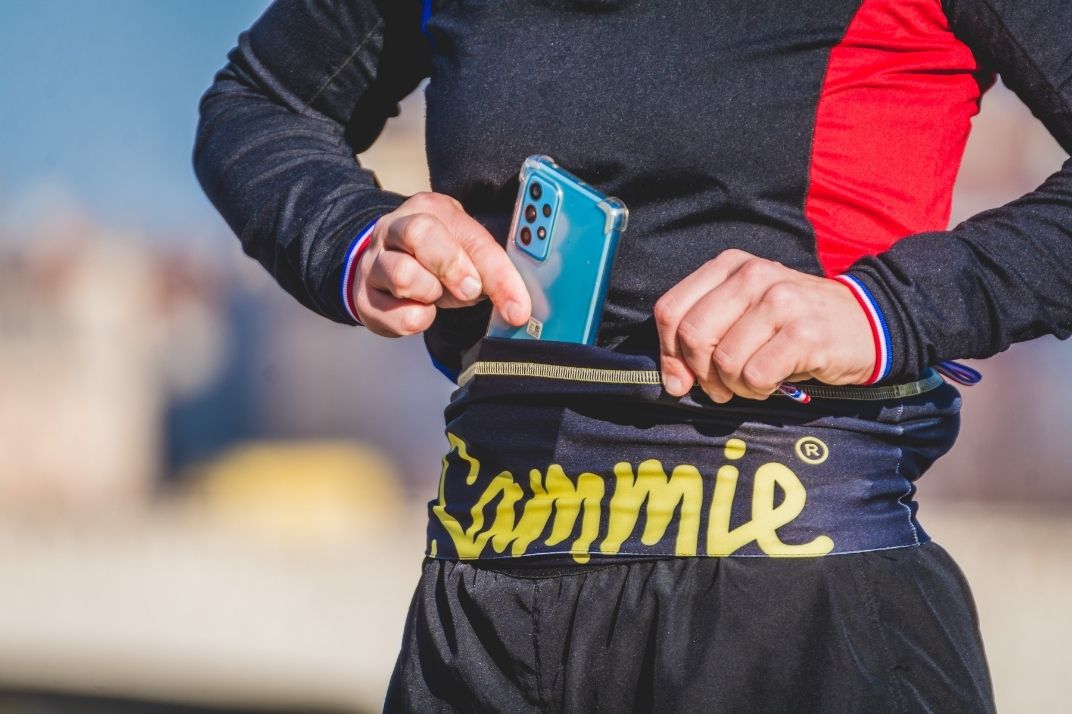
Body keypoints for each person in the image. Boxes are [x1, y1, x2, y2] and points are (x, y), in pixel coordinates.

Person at [194, 0, 1072, 710]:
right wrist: (358, 240)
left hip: (802, 619)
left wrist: (884, 308)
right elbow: (259, 104)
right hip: (486, 608)